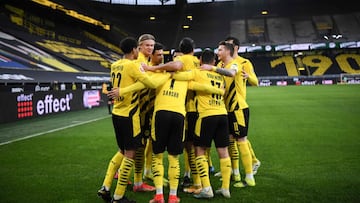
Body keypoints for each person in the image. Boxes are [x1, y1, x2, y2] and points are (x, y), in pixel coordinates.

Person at [97, 36, 170, 203]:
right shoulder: (134, 65)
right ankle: (119, 196)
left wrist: (121, 90)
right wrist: (167, 75)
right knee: (130, 154)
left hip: (117, 112)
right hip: (131, 115)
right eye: (142, 47)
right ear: (134, 50)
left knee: (122, 151)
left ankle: (106, 186)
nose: (147, 49)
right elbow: (149, 84)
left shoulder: (115, 65)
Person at [142, 37, 202, 194]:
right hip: (186, 112)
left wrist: (153, 70)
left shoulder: (160, 74)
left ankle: (159, 194)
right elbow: (198, 84)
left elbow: (151, 83)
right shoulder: (189, 74)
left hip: (160, 113)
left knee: (158, 154)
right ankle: (179, 191)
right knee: (182, 153)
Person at [173, 49, 232, 199]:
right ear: (213, 62)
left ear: (200, 61)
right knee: (223, 151)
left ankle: (206, 188)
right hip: (222, 115)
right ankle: (225, 188)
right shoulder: (219, 74)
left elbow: (179, 76)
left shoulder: (197, 72)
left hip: (206, 115)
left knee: (199, 149)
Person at [201, 41, 255, 187]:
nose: (217, 52)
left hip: (238, 108)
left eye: (220, 50)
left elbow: (232, 73)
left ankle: (250, 177)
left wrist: (211, 67)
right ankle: (235, 173)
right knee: (230, 141)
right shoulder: (220, 66)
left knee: (241, 140)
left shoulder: (235, 64)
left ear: (228, 52)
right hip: (225, 110)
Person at [225, 36, 261, 176]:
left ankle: (251, 163)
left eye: (229, 45)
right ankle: (233, 170)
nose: (227, 48)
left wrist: (248, 77)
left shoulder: (244, 62)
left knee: (240, 137)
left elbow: (256, 82)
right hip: (225, 106)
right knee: (231, 138)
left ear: (236, 48)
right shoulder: (223, 63)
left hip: (238, 104)